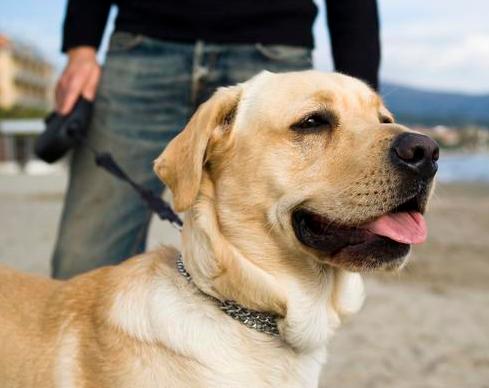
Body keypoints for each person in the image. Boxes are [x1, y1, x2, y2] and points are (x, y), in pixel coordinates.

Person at [52, 0, 381, 278]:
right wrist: (81, 47)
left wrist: (365, 106)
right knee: (83, 260)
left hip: (274, 44)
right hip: (142, 43)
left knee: (292, 262)